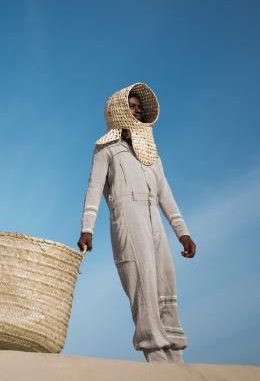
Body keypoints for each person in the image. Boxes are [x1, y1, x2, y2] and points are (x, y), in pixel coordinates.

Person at [78, 82, 196, 363]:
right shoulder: (105, 148)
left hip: (154, 219)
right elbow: (94, 189)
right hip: (128, 220)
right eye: (130, 107)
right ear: (119, 111)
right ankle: (155, 355)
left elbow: (165, 193)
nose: (136, 112)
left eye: (139, 109)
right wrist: (87, 228)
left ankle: (176, 356)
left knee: (165, 282)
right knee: (142, 284)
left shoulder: (152, 154)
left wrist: (183, 233)